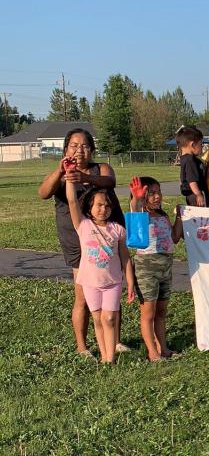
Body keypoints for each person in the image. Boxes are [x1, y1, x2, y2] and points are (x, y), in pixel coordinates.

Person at [37, 128, 128, 358]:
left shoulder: (100, 169)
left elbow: (110, 180)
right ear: (66, 149)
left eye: (85, 145)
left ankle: (114, 342)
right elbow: (43, 193)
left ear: (92, 150)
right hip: (78, 240)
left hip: (109, 238)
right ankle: (82, 346)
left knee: (112, 291)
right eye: (74, 146)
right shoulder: (62, 174)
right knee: (83, 296)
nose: (79, 150)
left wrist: (86, 177)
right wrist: (61, 171)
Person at [65, 169, 135, 363]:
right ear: (89, 207)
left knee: (109, 319)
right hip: (89, 282)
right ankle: (104, 356)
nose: (103, 209)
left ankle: (110, 358)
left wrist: (129, 282)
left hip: (113, 282)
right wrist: (70, 177)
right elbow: (71, 201)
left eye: (106, 205)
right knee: (97, 319)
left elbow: (125, 258)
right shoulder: (83, 225)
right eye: (98, 205)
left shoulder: (118, 229)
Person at [129, 177, 183, 361]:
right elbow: (134, 210)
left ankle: (164, 348)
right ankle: (152, 352)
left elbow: (175, 237)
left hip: (165, 268)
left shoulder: (163, 216)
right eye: (151, 193)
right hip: (146, 269)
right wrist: (136, 199)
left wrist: (179, 217)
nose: (157, 196)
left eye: (158, 192)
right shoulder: (141, 215)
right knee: (148, 313)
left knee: (161, 311)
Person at [178, 125, 209, 207]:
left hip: (190, 194)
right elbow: (192, 180)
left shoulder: (184, 158)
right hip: (194, 194)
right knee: (201, 216)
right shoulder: (190, 160)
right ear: (193, 145)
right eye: (201, 144)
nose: (202, 146)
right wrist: (198, 194)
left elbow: (183, 177)